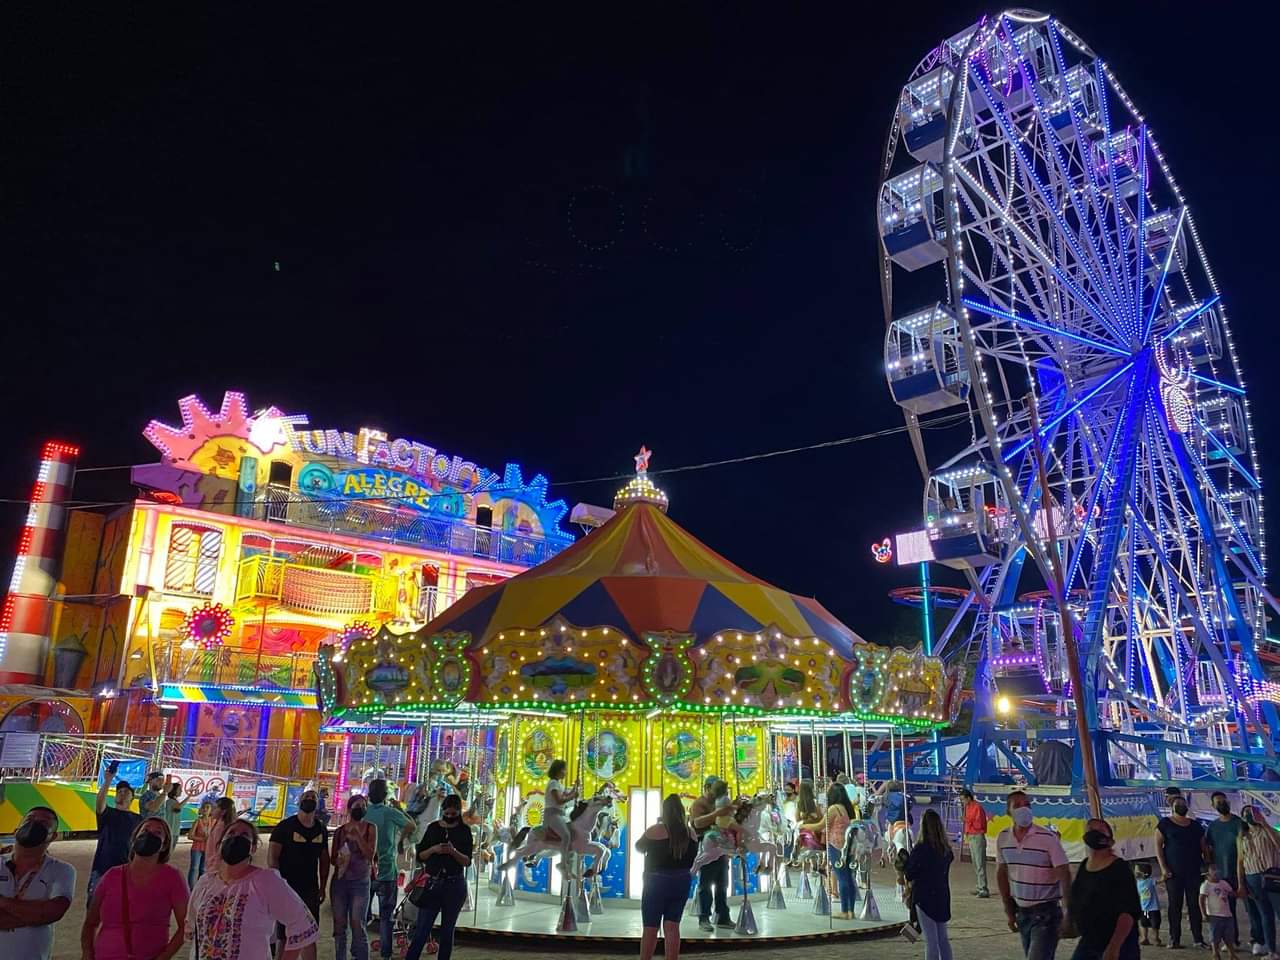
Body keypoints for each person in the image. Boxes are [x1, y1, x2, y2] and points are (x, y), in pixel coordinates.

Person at [187, 817, 318, 960]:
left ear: (253, 848)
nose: (236, 838)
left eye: (244, 835)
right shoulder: (205, 883)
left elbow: (302, 922)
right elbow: (192, 926)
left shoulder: (266, 881)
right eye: (231, 833)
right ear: (219, 844)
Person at [82, 816, 188, 960]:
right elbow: (91, 922)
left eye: (157, 833)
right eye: (145, 830)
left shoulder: (172, 877)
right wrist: (87, 953)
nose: (149, 835)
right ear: (134, 838)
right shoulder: (112, 875)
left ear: (164, 845)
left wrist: (163, 957)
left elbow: (185, 926)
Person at [996, 790, 1072, 960]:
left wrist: (1068, 910)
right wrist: (1008, 909)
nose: (1024, 809)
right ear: (1008, 811)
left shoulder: (1047, 838)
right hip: (1022, 912)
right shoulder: (1003, 838)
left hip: (1046, 913)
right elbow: (1002, 873)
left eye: (1027, 805)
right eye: (1017, 806)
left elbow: (1064, 873)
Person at [0, 806, 75, 960]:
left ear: (53, 836)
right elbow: (42, 914)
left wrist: (2, 902)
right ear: (16, 829)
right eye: (30, 820)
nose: (34, 825)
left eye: (43, 823)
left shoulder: (62, 870)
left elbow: (53, 912)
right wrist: (33, 917)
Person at [404, 794, 473, 960]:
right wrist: (434, 849)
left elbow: (467, 861)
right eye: (446, 814)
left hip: (454, 884)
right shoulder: (434, 828)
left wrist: (453, 851)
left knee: (447, 931)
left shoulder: (464, 831)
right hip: (433, 883)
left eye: (453, 814)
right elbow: (421, 855)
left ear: (458, 812)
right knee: (422, 929)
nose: (449, 817)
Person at [269, 788, 330, 960]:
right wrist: (277, 884)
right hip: (286, 887)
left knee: (310, 934)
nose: (310, 799)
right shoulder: (284, 827)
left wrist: (323, 886)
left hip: (310, 889)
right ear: (299, 801)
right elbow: (272, 858)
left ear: (318, 804)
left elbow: (324, 860)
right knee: (284, 934)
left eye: (313, 797)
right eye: (306, 797)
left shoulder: (321, 829)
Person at [1067, 817, 1140, 960]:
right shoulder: (1084, 865)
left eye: (1100, 830)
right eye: (1090, 830)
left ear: (1110, 839)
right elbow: (1076, 898)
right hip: (1090, 940)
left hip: (1118, 943)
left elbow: (1128, 912)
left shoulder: (1119, 868)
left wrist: (1114, 947)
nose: (1094, 833)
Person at [637, 794, 697, 960]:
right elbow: (692, 857)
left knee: (650, 927)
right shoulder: (690, 833)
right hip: (682, 881)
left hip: (656, 882)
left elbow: (639, 847)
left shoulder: (655, 830)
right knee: (672, 926)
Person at [363, 778, 413, 960]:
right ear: (385, 796)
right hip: (386, 871)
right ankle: (386, 954)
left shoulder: (364, 812)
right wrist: (401, 840)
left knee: (360, 914)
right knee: (386, 917)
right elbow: (411, 825)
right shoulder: (390, 812)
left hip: (365, 871)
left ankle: (360, 950)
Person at [1157, 791, 1207, 949]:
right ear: (1172, 807)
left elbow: (1203, 846)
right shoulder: (1165, 824)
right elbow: (1158, 847)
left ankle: (1198, 939)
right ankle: (1174, 939)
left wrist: (1208, 865)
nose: (1181, 807)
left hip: (1193, 872)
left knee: (1194, 906)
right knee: (1174, 906)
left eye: (1183, 804)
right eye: (1178, 805)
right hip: (1173, 873)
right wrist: (1164, 868)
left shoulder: (1195, 825)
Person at [330, 794, 377, 960]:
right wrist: (340, 859)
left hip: (360, 883)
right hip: (340, 882)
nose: (361, 808)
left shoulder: (371, 828)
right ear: (349, 809)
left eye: (364, 805)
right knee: (339, 925)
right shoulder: (340, 831)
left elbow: (370, 855)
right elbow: (332, 858)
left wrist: (357, 837)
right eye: (357, 805)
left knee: (358, 924)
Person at [905, 808, 954, 960]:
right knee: (942, 938)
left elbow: (909, 874)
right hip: (942, 895)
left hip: (924, 897)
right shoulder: (946, 850)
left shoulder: (920, 849)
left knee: (930, 940)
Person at [687, 776, 733, 932]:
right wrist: (718, 813)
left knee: (723, 883)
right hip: (706, 844)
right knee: (705, 884)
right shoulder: (699, 804)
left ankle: (722, 916)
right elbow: (697, 823)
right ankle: (704, 917)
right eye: (714, 790)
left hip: (721, 845)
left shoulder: (720, 801)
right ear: (707, 788)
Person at [91, 762, 142, 899]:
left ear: (132, 798)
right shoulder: (108, 814)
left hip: (127, 870)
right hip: (103, 868)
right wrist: (108, 780)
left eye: (126, 792)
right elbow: (100, 803)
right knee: (96, 907)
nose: (122, 794)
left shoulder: (138, 819)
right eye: (119, 792)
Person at [1238, 804, 1280, 959]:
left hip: (1272, 876)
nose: (1249, 815)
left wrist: (1264, 823)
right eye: (1246, 813)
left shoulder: (1267, 831)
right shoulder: (1242, 836)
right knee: (1265, 915)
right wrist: (1241, 883)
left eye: (1252, 812)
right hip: (1252, 877)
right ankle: (1271, 951)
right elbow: (1240, 861)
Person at [1207, 791, 1247, 948]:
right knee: (1226, 910)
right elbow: (1207, 847)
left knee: (1251, 908)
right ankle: (1231, 940)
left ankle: (1259, 940)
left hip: (1243, 872)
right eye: (1218, 802)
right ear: (1213, 805)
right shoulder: (1213, 826)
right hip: (1222, 876)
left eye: (1223, 801)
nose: (1221, 804)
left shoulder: (1238, 823)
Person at [824, 783, 858, 919]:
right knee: (849, 878)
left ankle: (844, 911)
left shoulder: (833, 809)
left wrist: (805, 825)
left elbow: (822, 824)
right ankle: (851, 910)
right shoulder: (846, 808)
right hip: (848, 845)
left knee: (842, 878)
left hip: (836, 844)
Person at [1203, 863, 1242, 960]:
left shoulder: (1223, 883)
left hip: (1227, 914)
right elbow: (1201, 900)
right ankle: (1215, 953)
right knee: (1215, 936)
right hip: (1214, 915)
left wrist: (1239, 893)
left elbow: (1232, 893)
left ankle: (1232, 954)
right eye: (1213, 870)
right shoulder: (1206, 885)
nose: (1217, 872)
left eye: (1217, 869)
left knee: (1228, 936)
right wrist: (1204, 914)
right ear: (1207, 874)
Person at [542, 760, 578, 864]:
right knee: (566, 835)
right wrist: (573, 796)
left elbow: (567, 794)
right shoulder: (553, 783)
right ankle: (563, 862)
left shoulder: (558, 784)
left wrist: (575, 786)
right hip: (552, 814)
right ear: (559, 770)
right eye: (565, 769)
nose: (566, 772)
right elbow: (559, 800)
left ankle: (568, 855)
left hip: (560, 813)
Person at [962, 788, 991, 898]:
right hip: (971, 835)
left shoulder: (977, 807)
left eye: (963, 799)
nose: (963, 802)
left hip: (977, 836)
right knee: (975, 862)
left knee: (979, 863)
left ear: (968, 798)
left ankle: (983, 888)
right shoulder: (968, 807)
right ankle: (980, 886)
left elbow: (979, 824)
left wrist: (966, 820)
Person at [203, 797, 237, 876]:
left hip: (215, 868)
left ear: (223, 812)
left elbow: (219, 850)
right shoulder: (220, 823)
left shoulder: (221, 827)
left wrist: (214, 868)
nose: (212, 810)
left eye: (215, 808)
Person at [1135, 861, 1163, 947]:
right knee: (1143, 923)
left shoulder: (1150, 881)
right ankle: (1145, 938)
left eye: (1136, 871)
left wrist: (1165, 876)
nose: (1135, 872)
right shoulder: (1138, 882)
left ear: (1143, 873)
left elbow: (1160, 880)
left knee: (1155, 924)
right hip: (1143, 908)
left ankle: (1156, 938)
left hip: (1153, 908)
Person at [188, 801, 214, 890]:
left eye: (208, 807)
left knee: (203, 869)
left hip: (207, 849)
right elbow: (190, 836)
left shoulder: (213, 822)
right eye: (204, 808)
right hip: (197, 848)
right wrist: (203, 839)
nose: (206, 809)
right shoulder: (197, 821)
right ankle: (191, 889)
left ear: (211, 810)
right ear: (201, 810)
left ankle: (200, 888)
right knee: (194, 868)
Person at [160, 780, 189, 846]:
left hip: (174, 831)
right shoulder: (170, 801)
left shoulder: (175, 801)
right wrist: (189, 796)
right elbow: (177, 807)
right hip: (170, 831)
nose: (181, 791)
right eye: (179, 789)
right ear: (174, 790)